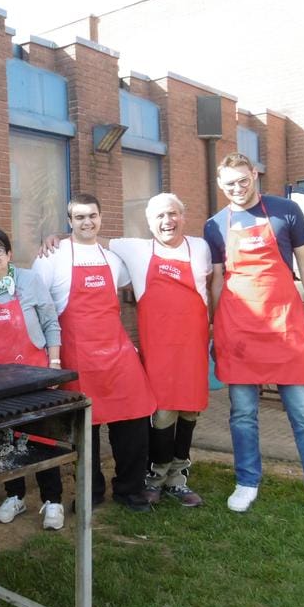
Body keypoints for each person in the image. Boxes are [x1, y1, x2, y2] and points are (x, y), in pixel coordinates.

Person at [205, 152, 304, 528]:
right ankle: (246, 482)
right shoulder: (216, 225)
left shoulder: (286, 211)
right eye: (229, 184)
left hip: (284, 326)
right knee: (242, 414)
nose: (237, 189)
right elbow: (219, 280)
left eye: (243, 180)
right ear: (220, 185)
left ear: (254, 175)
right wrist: (213, 327)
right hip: (238, 330)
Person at [32, 193, 157, 512]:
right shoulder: (52, 256)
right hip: (77, 354)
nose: (87, 222)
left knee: (135, 417)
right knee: (85, 427)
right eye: (79, 217)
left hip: (116, 352)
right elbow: (39, 306)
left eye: (92, 216)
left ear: (100, 218)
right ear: (69, 221)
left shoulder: (113, 258)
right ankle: (91, 491)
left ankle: (130, 488)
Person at [109, 193, 212, 507]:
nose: (167, 222)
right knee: (164, 412)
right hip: (160, 347)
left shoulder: (201, 247)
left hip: (193, 343)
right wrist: (57, 237)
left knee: (190, 409)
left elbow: (215, 285)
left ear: (183, 215)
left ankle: (178, 478)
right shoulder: (137, 249)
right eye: (159, 217)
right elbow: (94, 238)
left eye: (173, 214)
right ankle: (156, 476)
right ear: (149, 223)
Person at [0, 226, 65, 530]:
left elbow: (51, 321)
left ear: (9, 254)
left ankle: (53, 501)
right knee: (6, 439)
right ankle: (15, 496)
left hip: (34, 371)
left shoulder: (29, 280)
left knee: (41, 435)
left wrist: (53, 362)